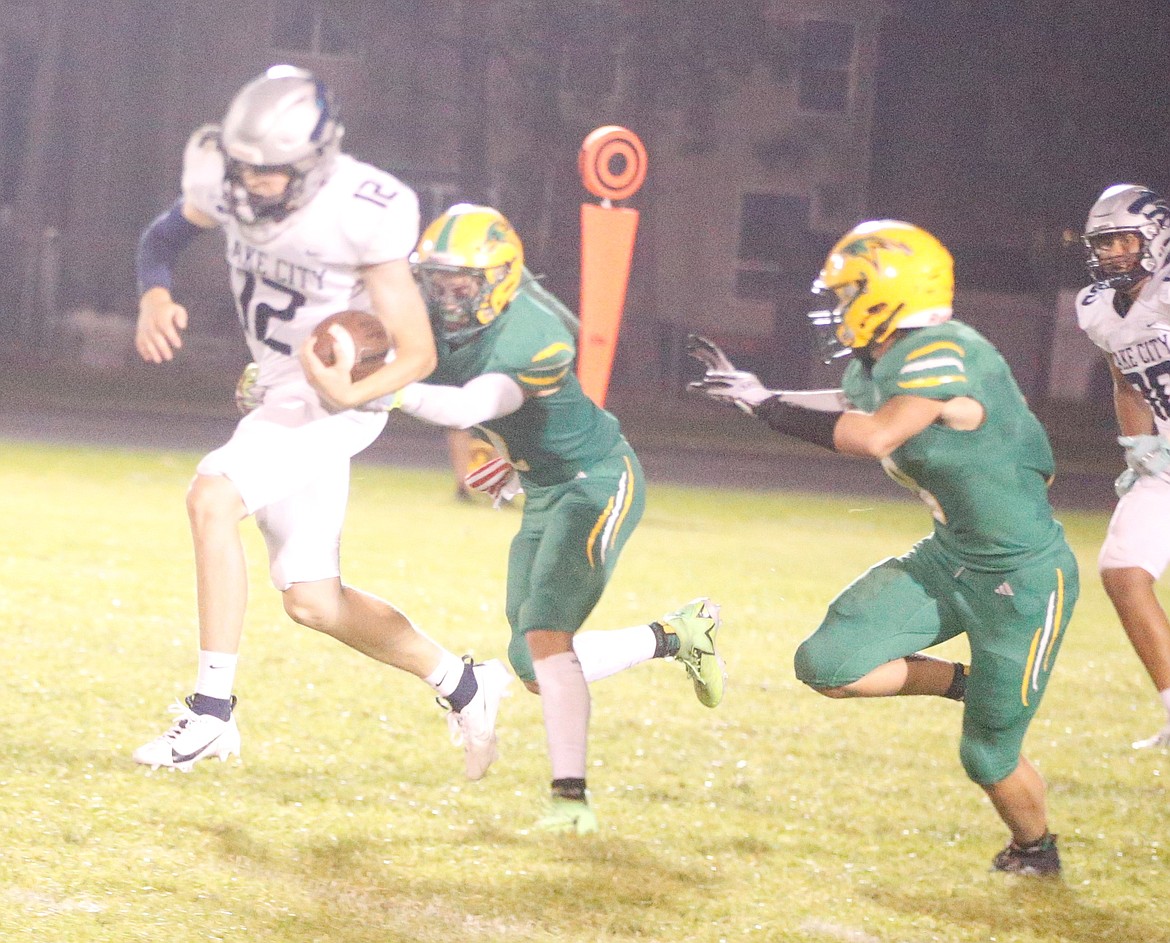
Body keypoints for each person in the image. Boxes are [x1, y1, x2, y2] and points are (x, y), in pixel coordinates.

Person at [131, 66, 510, 779]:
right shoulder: (227, 180)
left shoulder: (362, 207)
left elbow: (417, 350)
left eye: (270, 171)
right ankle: (466, 683)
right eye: (245, 167)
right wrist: (155, 296)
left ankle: (211, 715)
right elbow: (162, 237)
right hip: (280, 388)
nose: (253, 183)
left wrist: (347, 388)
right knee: (314, 600)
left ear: (317, 156)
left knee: (212, 495)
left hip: (340, 399)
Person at [689, 220, 1079, 876]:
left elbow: (876, 431)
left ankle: (1036, 852)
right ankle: (963, 683)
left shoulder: (948, 350)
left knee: (987, 755)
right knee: (828, 661)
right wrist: (761, 396)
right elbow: (854, 397)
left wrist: (773, 411)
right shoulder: (887, 359)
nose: (839, 308)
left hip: (1023, 580)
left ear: (889, 292)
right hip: (948, 558)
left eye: (849, 294)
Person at [322, 203, 725, 834]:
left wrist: (386, 386)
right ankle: (676, 636)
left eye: (464, 284)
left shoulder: (538, 335)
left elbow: (471, 404)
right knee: (530, 664)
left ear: (502, 279)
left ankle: (571, 802)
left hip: (596, 482)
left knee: (544, 634)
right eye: (439, 282)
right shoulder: (429, 306)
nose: (449, 297)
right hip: (541, 487)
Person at [1076, 183, 1170, 750]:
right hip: (1166, 463)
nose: (1110, 253)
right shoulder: (1097, 307)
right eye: (1102, 244)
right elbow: (1124, 377)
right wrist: (1138, 449)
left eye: (1120, 240)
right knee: (1122, 571)